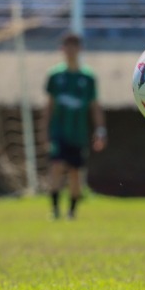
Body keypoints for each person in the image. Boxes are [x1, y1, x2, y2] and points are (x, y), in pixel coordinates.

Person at [43, 32, 105, 220]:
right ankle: (54, 210)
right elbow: (49, 106)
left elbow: (95, 107)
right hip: (58, 131)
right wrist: (44, 132)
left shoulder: (88, 78)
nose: (70, 50)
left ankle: (71, 212)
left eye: (74, 46)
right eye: (67, 46)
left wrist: (101, 130)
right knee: (57, 166)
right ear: (62, 49)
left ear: (80, 49)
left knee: (75, 172)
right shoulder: (55, 75)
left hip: (78, 133)